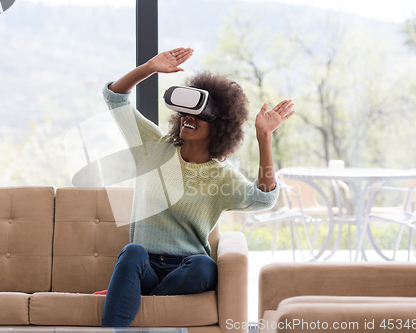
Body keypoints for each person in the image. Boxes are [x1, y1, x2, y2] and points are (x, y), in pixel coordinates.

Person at [100, 47, 295, 327]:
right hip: (144, 267)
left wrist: (264, 137)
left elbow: (263, 199)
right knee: (132, 251)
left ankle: (140, 305)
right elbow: (115, 98)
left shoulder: (221, 177)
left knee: (206, 265)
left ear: (220, 128)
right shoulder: (154, 149)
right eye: (185, 112)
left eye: (199, 115)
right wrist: (149, 68)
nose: (188, 117)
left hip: (187, 270)